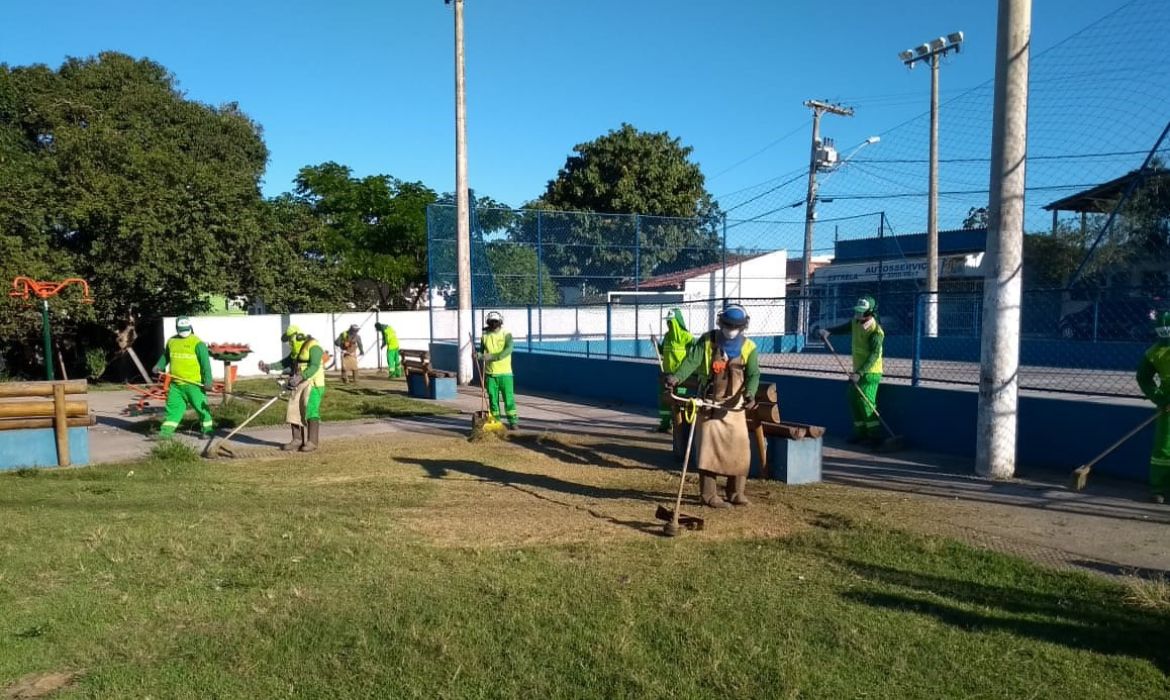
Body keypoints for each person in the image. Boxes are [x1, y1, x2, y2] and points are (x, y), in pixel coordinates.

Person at [664, 304, 760, 508]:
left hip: (735, 407)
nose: (730, 329)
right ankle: (708, 495)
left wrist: (750, 394)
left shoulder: (749, 347)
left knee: (740, 448)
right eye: (728, 325)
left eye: (735, 326)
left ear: (743, 326)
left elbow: (753, 374)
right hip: (708, 403)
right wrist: (676, 378)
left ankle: (736, 492)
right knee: (708, 450)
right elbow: (691, 362)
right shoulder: (707, 341)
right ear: (721, 322)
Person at [819, 295, 885, 447]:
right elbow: (844, 328)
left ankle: (874, 436)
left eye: (862, 311)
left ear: (870, 312)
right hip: (858, 372)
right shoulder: (855, 322)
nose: (858, 314)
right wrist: (828, 331)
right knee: (853, 398)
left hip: (871, 373)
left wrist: (859, 373)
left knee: (866, 403)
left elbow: (874, 355)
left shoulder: (876, 331)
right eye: (858, 310)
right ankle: (860, 432)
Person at [259, 324, 326, 452]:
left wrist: (301, 376)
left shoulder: (314, 347)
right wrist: (269, 366)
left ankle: (312, 442)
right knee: (293, 408)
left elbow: (314, 366)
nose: (289, 343)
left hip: (314, 384)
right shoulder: (296, 351)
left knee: (310, 409)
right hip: (299, 383)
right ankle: (297, 440)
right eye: (288, 341)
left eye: (290, 339)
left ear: (298, 336)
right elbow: (284, 363)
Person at [152, 316, 215, 439]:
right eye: (182, 330)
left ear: (190, 327)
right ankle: (165, 433)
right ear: (177, 328)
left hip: (194, 385)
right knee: (173, 409)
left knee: (201, 408)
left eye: (186, 329)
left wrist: (208, 381)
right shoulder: (172, 341)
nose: (184, 332)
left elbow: (206, 365)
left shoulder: (198, 343)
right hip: (176, 385)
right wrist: (159, 365)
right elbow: (166, 356)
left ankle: (208, 430)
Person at [1136, 309, 1170, 504]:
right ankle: (1159, 488)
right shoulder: (1155, 352)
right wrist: (1160, 398)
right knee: (1163, 448)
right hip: (1167, 406)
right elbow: (1144, 377)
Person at [478, 311, 518, 429]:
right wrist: (478, 355)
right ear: (488, 322)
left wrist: (490, 357)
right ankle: (495, 422)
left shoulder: (506, 334)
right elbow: (481, 352)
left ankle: (513, 421)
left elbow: (507, 350)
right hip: (490, 374)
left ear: (500, 322)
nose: (494, 324)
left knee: (508, 398)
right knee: (492, 399)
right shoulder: (484, 336)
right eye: (492, 322)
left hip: (505, 373)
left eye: (495, 321)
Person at [656, 308, 693, 433]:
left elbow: (696, 352)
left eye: (671, 321)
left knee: (680, 399)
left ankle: (680, 425)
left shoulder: (687, 337)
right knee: (665, 400)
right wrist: (656, 343)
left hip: (680, 378)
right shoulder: (667, 336)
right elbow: (662, 351)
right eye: (668, 321)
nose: (669, 324)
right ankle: (665, 424)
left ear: (677, 322)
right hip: (666, 376)